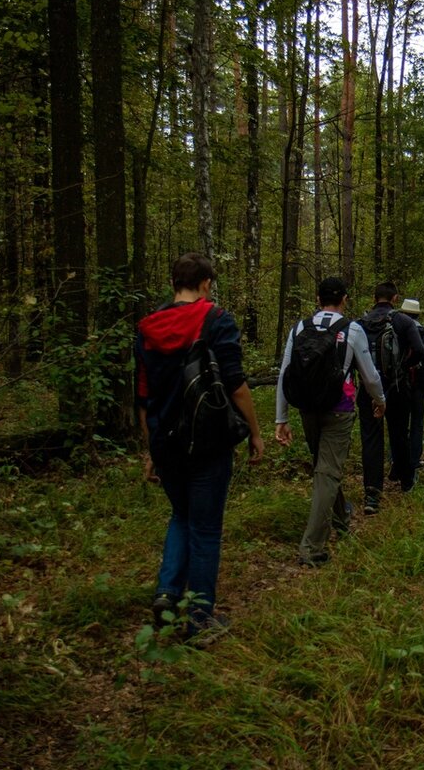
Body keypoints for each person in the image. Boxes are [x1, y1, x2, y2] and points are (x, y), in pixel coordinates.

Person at [136, 252, 264, 637]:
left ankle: (167, 594)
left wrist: (150, 449)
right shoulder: (215, 319)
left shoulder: (147, 328)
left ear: (174, 283)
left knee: (181, 515)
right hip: (207, 440)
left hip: (164, 440)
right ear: (206, 283)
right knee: (206, 528)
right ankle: (199, 620)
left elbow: (142, 395)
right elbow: (236, 385)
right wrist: (255, 433)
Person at [274, 277, 386, 568]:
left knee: (325, 468)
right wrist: (380, 400)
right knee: (327, 472)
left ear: (317, 297)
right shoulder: (352, 330)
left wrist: (281, 418)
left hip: (307, 407)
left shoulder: (299, 328)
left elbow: (285, 374)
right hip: (341, 406)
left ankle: (340, 517)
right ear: (345, 299)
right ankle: (312, 547)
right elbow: (370, 376)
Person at [357, 281, 424, 514]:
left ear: (375, 298)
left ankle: (372, 495)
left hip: (367, 390)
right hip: (397, 387)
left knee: (371, 439)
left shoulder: (360, 324)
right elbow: (420, 350)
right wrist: (403, 367)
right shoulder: (403, 321)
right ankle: (406, 482)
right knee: (399, 433)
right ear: (395, 299)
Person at [400, 298, 424, 476]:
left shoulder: (395, 331)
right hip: (420, 383)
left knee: (399, 422)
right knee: (417, 421)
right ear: (417, 314)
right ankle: (415, 459)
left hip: (399, 382)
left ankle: (397, 458)